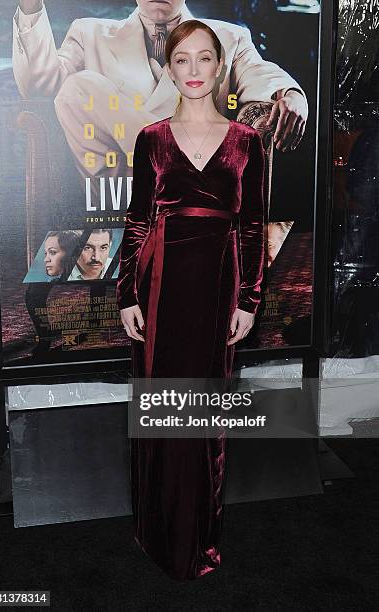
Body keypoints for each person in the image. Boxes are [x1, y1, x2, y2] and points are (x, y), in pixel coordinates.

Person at [116, 20, 265, 580]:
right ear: (169, 68)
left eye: (205, 59)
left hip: (219, 286)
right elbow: (136, 222)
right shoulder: (150, 139)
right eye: (183, 60)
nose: (195, 71)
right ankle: (156, 529)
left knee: (204, 416)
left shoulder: (247, 142)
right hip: (160, 285)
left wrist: (249, 300)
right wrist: (128, 291)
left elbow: (252, 227)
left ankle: (198, 536)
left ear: (220, 66)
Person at [13, 1, 308, 184]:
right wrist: (30, 6)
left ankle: (181, 178)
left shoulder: (229, 37)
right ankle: (175, 172)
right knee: (77, 87)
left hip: (198, 184)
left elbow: (262, 75)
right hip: (118, 193)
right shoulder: (87, 32)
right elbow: (39, 85)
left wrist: (292, 95)